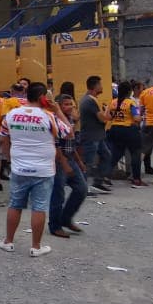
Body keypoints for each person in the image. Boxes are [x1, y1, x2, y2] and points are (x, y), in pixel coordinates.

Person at [0, 82, 58, 257]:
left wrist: (8, 157)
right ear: (42, 97)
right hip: (43, 169)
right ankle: (36, 247)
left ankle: (8, 241)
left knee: (15, 204)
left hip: (19, 167)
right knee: (39, 207)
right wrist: (57, 110)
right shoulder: (48, 116)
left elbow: (3, 139)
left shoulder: (11, 114)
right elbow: (65, 133)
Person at [48, 94, 89, 238]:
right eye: (66, 104)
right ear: (58, 105)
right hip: (59, 161)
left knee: (82, 189)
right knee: (58, 194)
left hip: (70, 158)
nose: (70, 107)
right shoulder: (54, 119)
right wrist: (64, 164)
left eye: (71, 104)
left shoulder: (69, 119)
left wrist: (79, 162)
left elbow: (73, 144)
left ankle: (66, 218)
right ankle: (55, 226)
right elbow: (56, 144)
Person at [78, 76, 113, 192]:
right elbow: (103, 118)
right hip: (91, 137)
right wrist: (108, 111)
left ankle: (98, 182)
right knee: (88, 162)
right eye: (100, 84)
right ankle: (84, 188)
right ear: (95, 86)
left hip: (97, 136)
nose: (102, 87)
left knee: (106, 156)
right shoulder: (90, 101)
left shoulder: (90, 99)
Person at [107, 82, 145, 187]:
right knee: (135, 154)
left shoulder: (113, 102)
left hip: (115, 129)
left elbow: (108, 117)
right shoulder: (131, 103)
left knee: (116, 154)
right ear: (129, 92)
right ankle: (136, 179)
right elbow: (137, 118)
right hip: (129, 130)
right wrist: (142, 117)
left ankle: (105, 176)